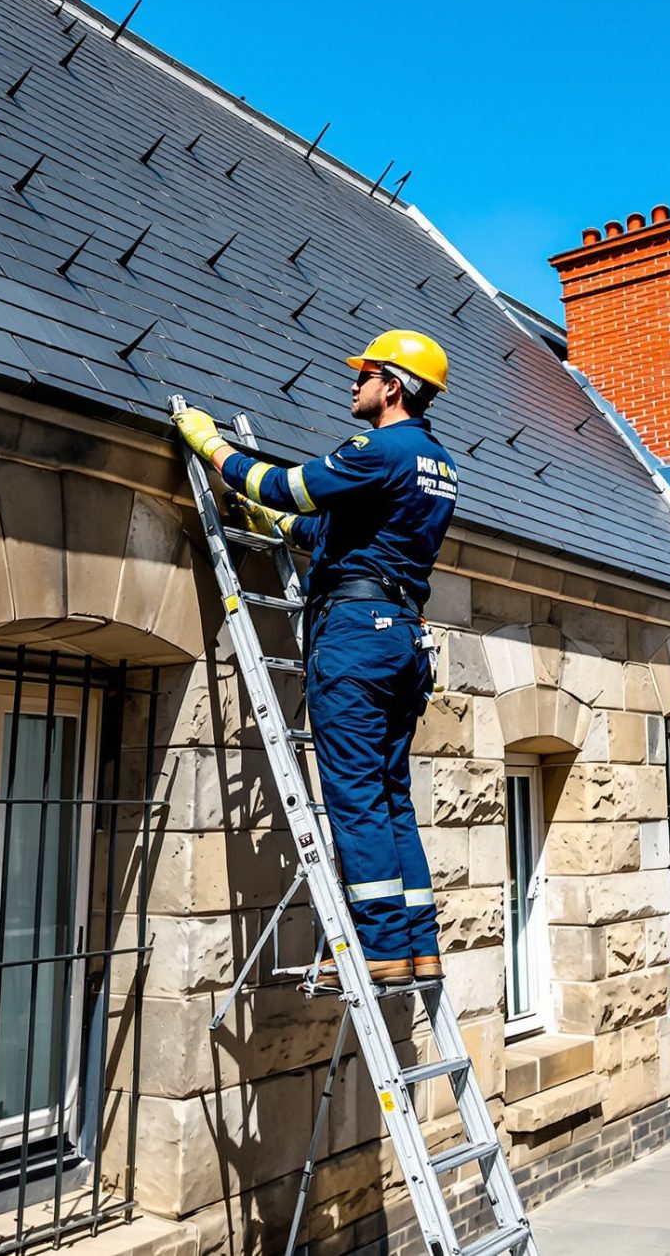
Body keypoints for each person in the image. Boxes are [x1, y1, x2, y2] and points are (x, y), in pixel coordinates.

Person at [173, 331, 458, 987]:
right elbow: (335, 531)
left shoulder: (379, 448)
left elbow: (287, 484)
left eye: (363, 376)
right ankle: (415, 945)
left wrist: (211, 446)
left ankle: (379, 949)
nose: (350, 384)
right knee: (389, 797)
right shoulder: (434, 461)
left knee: (356, 796)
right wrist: (274, 524)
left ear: (392, 386)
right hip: (402, 638)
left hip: (356, 636)